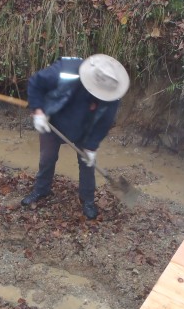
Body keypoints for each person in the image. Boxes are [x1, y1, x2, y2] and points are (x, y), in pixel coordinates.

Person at [21, 54, 130, 220]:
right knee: (47, 158)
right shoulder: (66, 71)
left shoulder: (112, 90)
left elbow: (104, 123)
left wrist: (92, 147)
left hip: (84, 130)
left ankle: (87, 200)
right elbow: (36, 82)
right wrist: (38, 111)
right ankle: (42, 190)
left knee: (87, 164)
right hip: (53, 121)